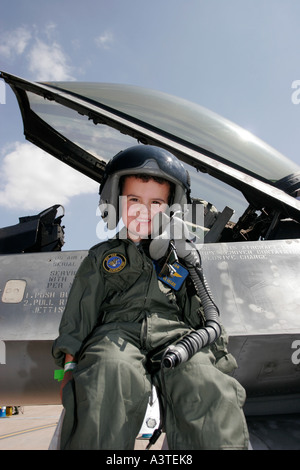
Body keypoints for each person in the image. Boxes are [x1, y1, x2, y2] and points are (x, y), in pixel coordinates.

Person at [52, 145, 249, 450]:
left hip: (173, 332)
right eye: (133, 200)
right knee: (109, 372)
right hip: (115, 332)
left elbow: (200, 311)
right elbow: (81, 312)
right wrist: (67, 367)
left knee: (201, 379)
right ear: (116, 202)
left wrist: (218, 361)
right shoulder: (102, 257)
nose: (144, 210)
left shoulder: (178, 257)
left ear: (171, 209)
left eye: (156, 202)